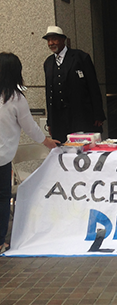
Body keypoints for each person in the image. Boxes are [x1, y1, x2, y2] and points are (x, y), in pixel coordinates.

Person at [0, 52, 59, 253]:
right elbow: (31, 127)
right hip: (1, 158)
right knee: (2, 198)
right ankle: (0, 241)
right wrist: (47, 142)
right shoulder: (15, 99)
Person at [43, 26, 106, 143]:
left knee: (83, 147)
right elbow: (48, 93)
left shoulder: (80, 57)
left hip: (79, 114)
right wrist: (50, 121)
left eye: (54, 39)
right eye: (48, 40)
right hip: (59, 117)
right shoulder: (48, 63)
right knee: (61, 150)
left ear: (63, 40)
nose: (51, 43)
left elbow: (93, 86)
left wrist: (98, 114)